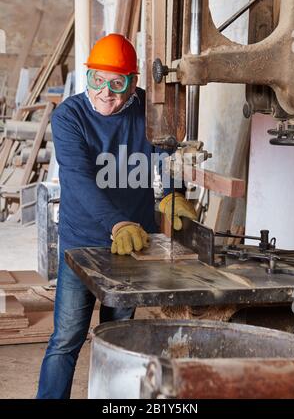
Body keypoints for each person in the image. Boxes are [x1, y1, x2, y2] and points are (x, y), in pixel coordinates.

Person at [36, 33, 196, 399]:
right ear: (87, 75)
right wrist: (117, 223)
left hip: (133, 248)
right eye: (97, 79)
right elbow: (77, 180)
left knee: (118, 338)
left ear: (133, 82)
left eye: (116, 82)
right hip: (83, 246)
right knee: (66, 338)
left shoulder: (149, 111)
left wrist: (172, 193)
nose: (105, 92)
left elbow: (165, 153)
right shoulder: (69, 116)